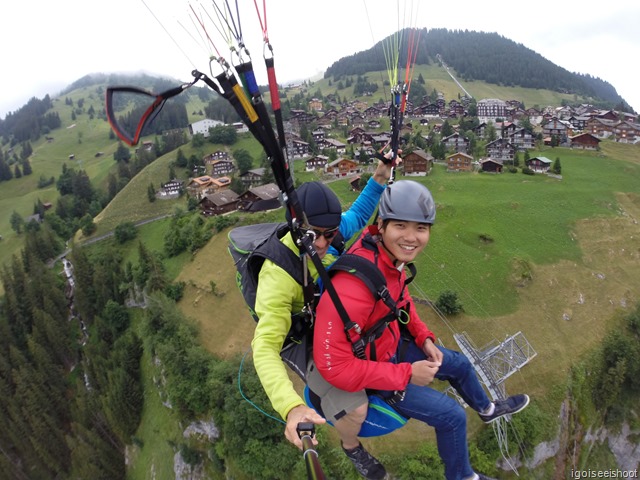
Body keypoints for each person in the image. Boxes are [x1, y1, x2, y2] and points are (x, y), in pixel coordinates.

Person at [311, 180, 530, 480]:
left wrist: (423, 336)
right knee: (452, 417)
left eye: (421, 228)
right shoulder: (352, 289)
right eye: (401, 226)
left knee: (461, 365)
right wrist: (406, 375)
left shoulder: (388, 256)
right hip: (375, 371)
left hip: (390, 344)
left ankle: (487, 409)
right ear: (382, 224)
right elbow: (333, 366)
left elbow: (399, 299)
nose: (412, 237)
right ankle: (463, 476)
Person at [251, 158, 396, 474]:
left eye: (329, 235)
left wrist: (380, 178)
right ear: (295, 224)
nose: (321, 243)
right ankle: (351, 447)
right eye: (313, 234)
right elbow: (263, 349)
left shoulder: (328, 232)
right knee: (357, 409)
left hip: (328, 314)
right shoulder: (277, 278)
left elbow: (357, 214)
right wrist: (290, 407)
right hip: (304, 337)